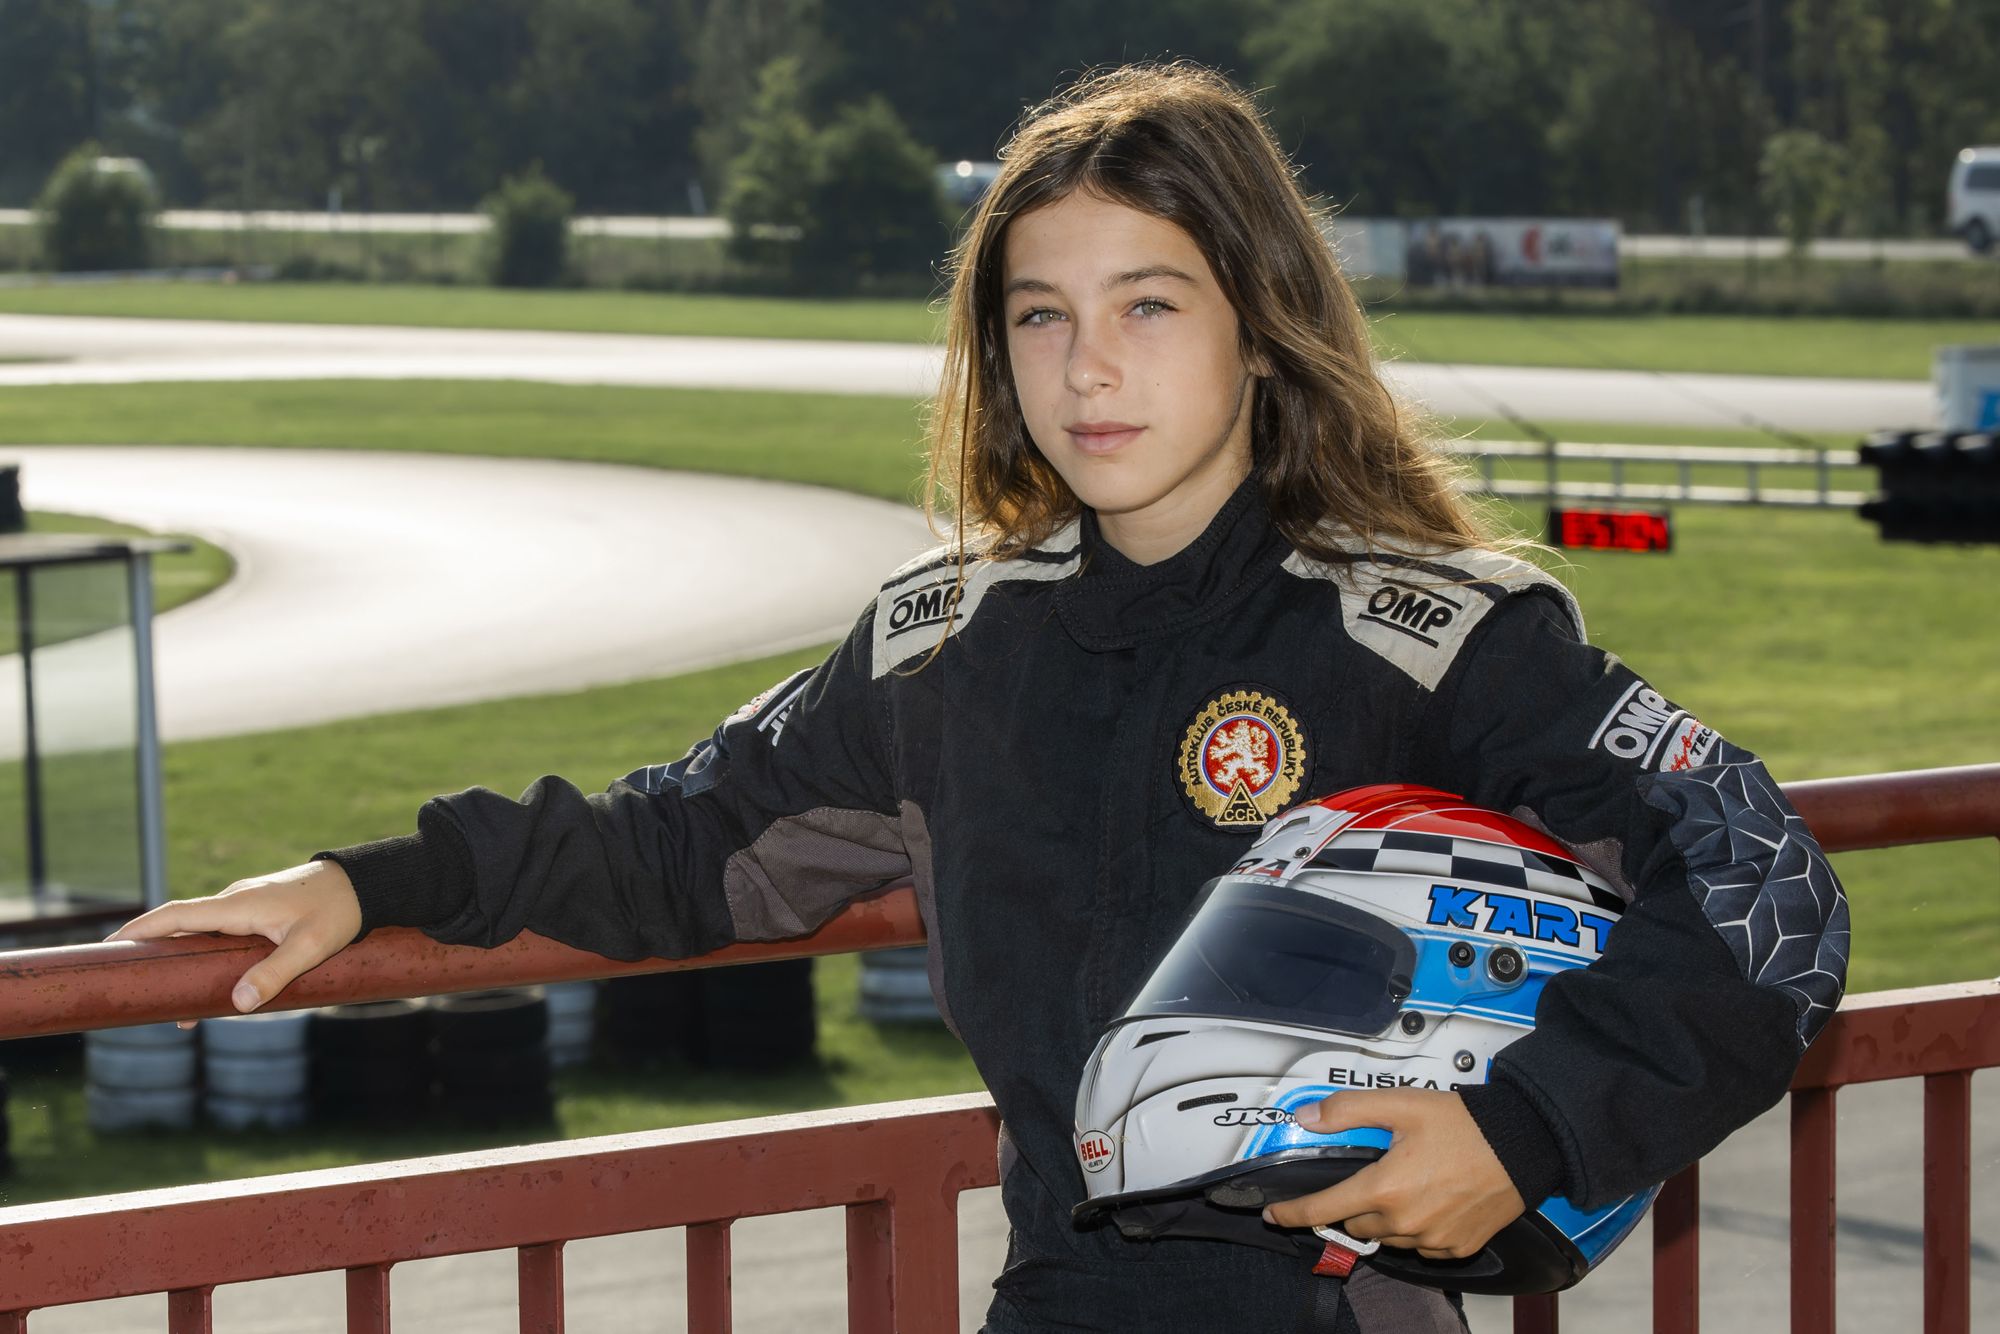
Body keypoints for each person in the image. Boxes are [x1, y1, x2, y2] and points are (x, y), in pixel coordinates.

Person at [112, 64, 1847, 1333]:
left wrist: (1524, 1128)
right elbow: (683, 842)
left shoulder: (1426, 636)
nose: (1089, 366)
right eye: (1040, 316)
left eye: (1149, 304)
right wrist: (372, 883)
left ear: (1259, 325)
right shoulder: (945, 645)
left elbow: (1766, 883)